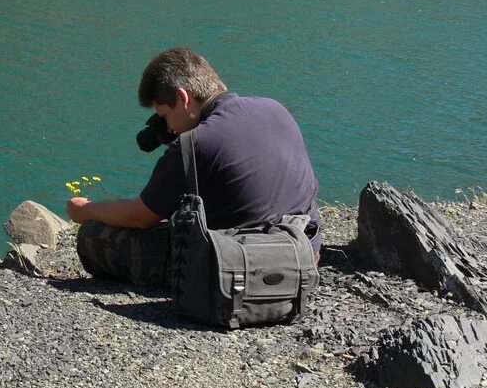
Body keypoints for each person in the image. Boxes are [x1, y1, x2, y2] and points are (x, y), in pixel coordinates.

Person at [67, 47, 321, 287]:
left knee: (92, 236)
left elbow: (139, 216)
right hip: (304, 251)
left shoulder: (194, 145)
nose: (169, 129)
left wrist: (86, 210)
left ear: (182, 96)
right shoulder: (274, 108)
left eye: (165, 116)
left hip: (242, 268)